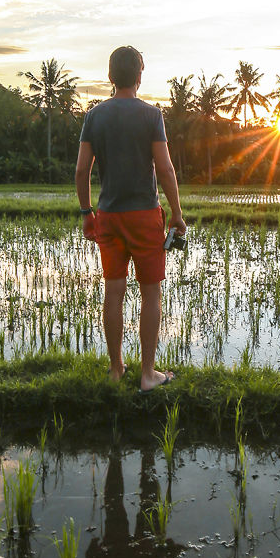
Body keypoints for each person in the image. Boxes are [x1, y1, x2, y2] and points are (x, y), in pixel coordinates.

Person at [75, 45, 187, 392]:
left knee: (113, 290)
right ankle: (148, 374)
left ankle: (115, 369)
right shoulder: (151, 116)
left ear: (111, 76)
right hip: (143, 215)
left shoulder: (94, 116)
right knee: (151, 293)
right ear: (139, 75)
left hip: (108, 215)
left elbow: (82, 170)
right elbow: (165, 169)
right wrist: (178, 216)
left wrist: (86, 212)